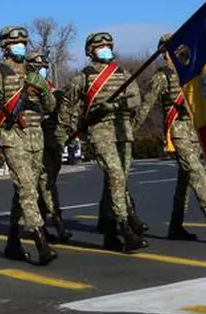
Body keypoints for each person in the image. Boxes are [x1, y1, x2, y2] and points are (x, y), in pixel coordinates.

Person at [133, 34, 206, 243]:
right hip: (178, 130)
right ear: (165, 52)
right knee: (196, 171)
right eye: (174, 48)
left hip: (195, 129)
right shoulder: (162, 77)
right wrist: (131, 130)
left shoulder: (191, 73)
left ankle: (175, 226)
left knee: (186, 180)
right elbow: (146, 105)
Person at [0, 27, 57, 265]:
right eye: (15, 42)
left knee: (25, 192)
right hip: (12, 138)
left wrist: (40, 87)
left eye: (23, 42)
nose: (21, 46)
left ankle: (12, 243)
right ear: (5, 46)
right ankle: (41, 242)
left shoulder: (34, 75)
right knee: (27, 188)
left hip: (35, 138)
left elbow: (50, 106)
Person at [60, 32, 147, 253]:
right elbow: (68, 107)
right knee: (116, 176)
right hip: (100, 133)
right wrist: (71, 132)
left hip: (123, 131)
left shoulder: (122, 74)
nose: (106, 49)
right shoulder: (84, 78)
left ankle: (109, 233)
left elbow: (136, 99)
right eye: (101, 47)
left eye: (108, 46)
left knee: (117, 181)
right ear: (91, 51)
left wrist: (116, 106)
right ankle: (125, 228)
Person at [28, 54, 72, 243]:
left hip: (53, 141)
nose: (43, 70)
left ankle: (41, 224)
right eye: (39, 67)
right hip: (36, 142)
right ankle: (56, 222)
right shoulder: (28, 91)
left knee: (47, 183)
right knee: (46, 185)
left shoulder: (52, 90)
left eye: (44, 67)